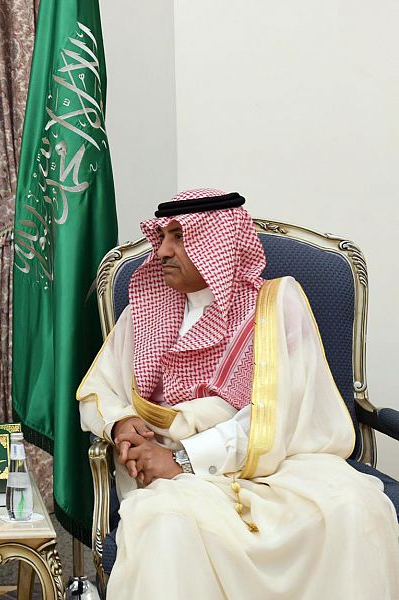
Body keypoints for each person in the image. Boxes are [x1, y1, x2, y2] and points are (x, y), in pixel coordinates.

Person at [77, 188, 399, 599]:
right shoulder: (145, 310)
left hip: (277, 464)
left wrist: (182, 459)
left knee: (352, 508)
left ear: (220, 245)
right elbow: (98, 389)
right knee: (165, 524)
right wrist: (123, 422)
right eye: (163, 237)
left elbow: (279, 411)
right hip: (168, 477)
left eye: (179, 237)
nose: (161, 252)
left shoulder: (276, 305)